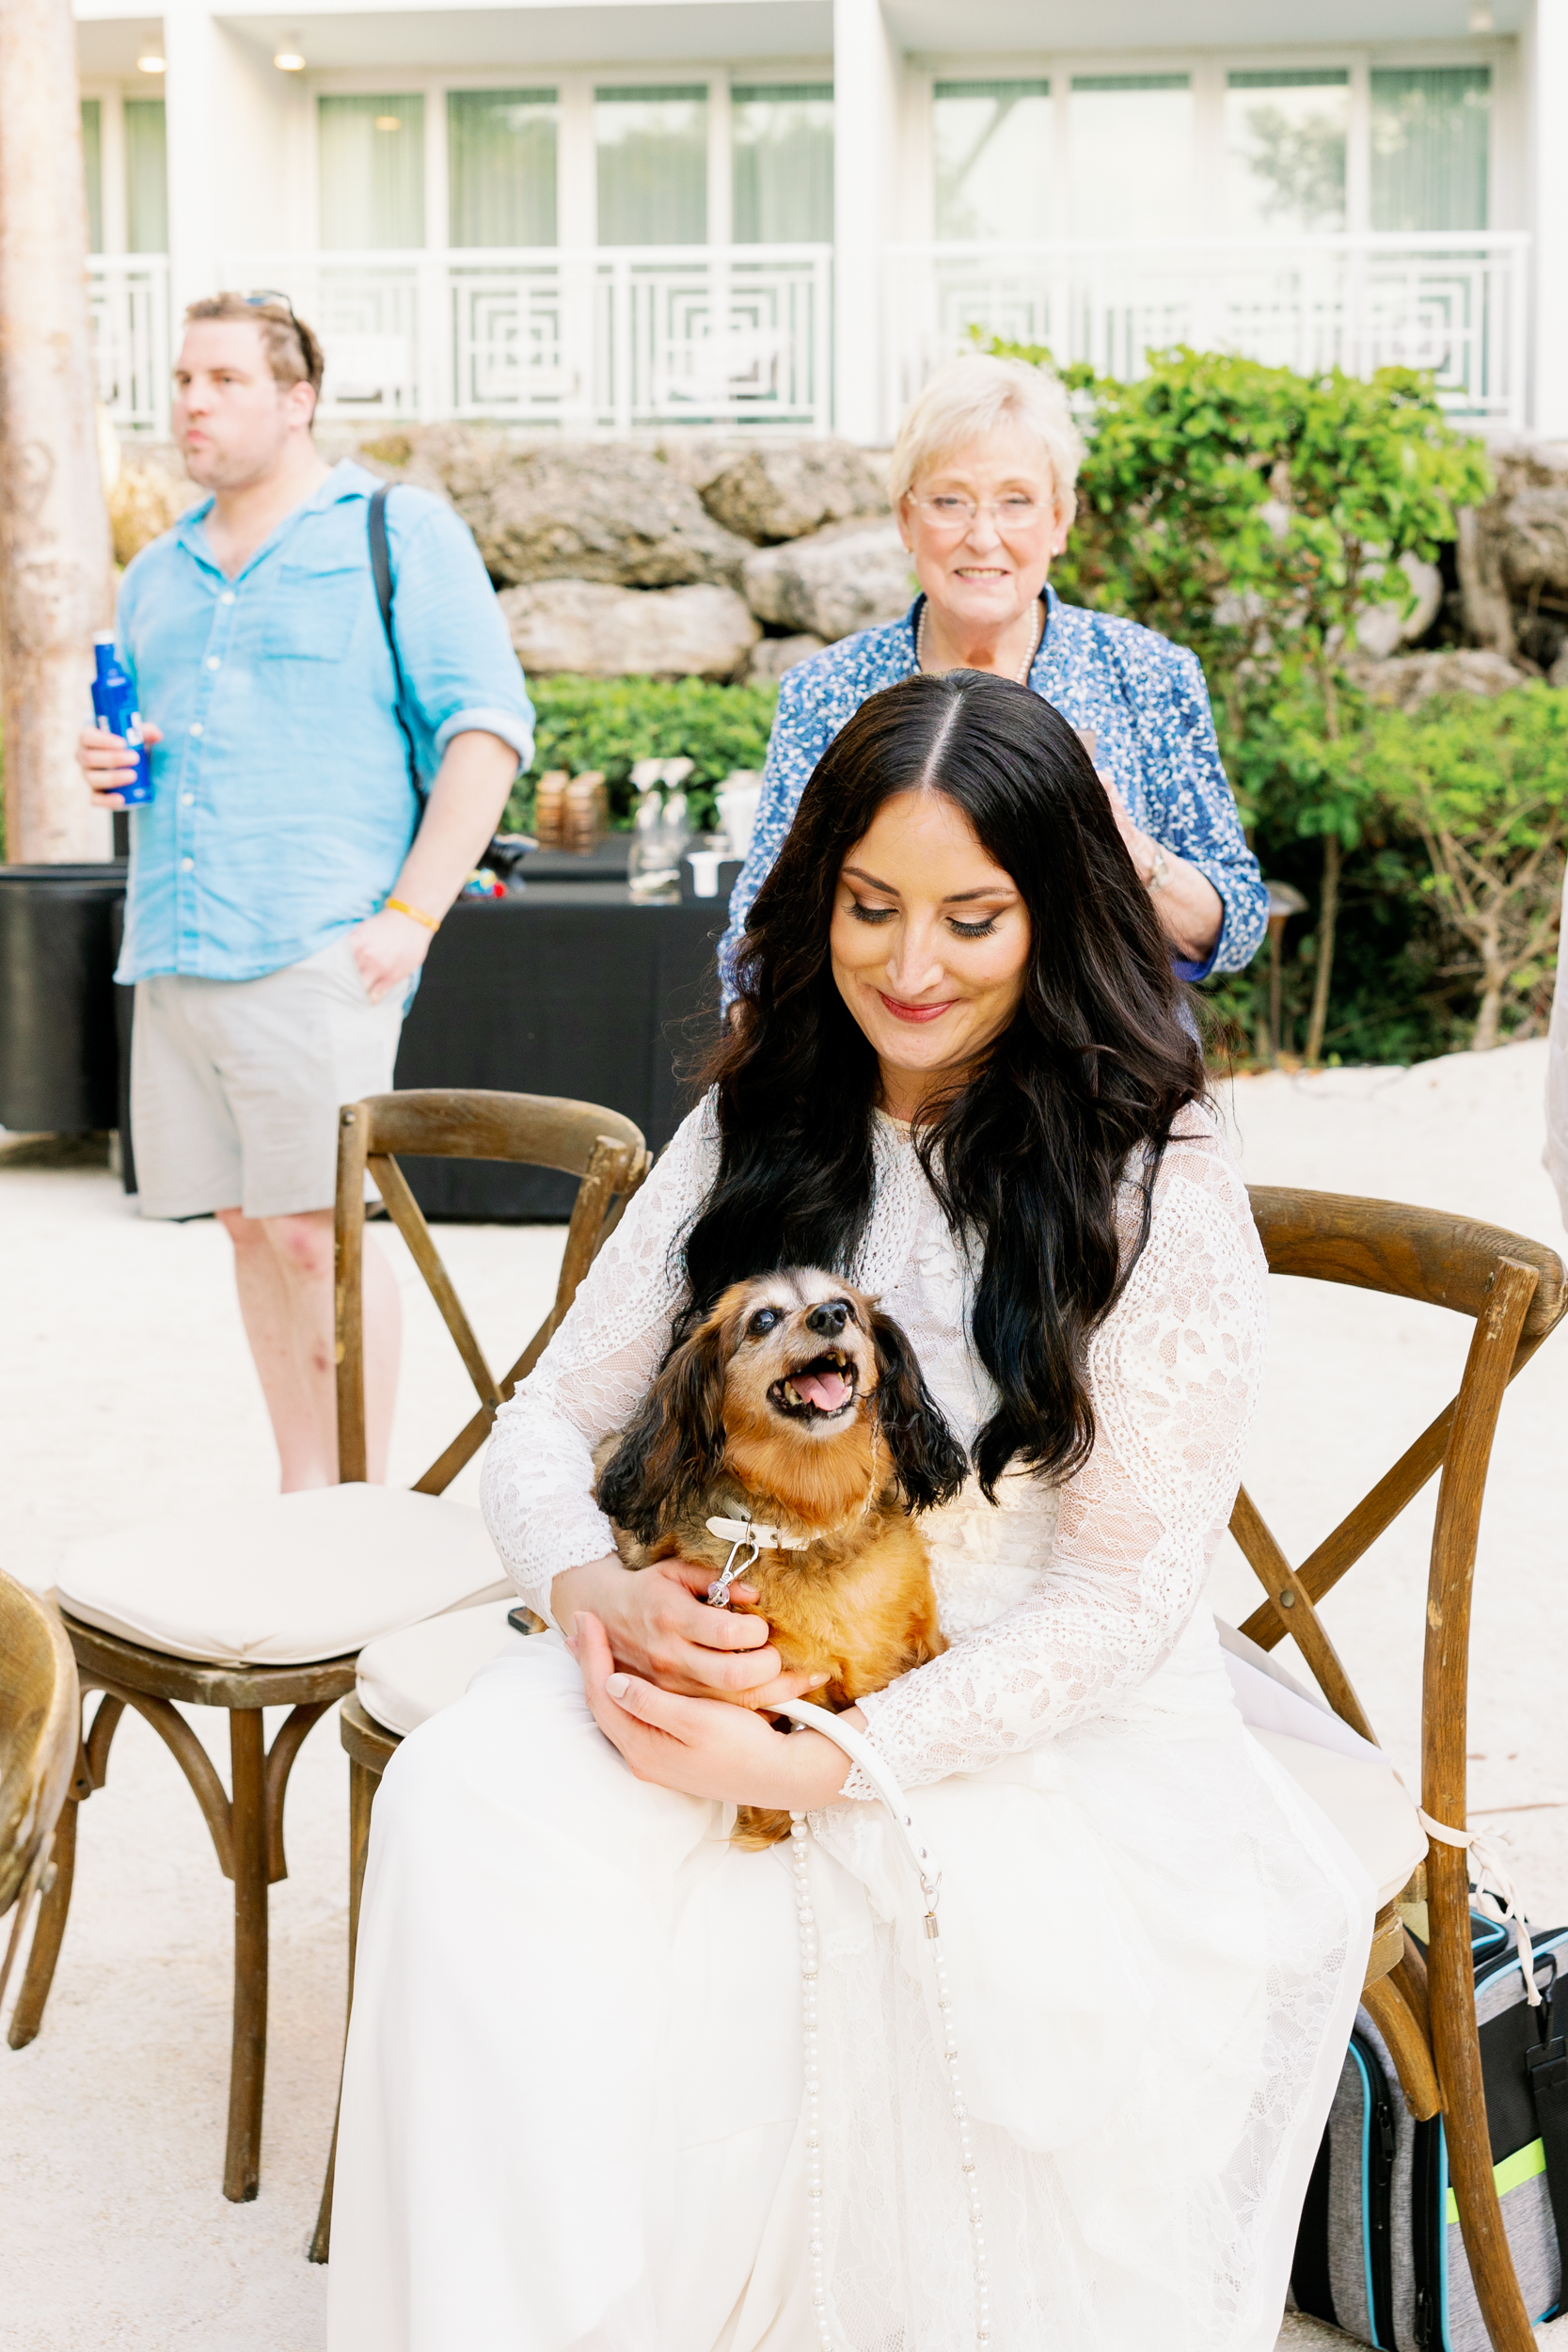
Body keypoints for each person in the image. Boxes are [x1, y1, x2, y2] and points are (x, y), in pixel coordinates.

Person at [326, 672, 1371, 2351]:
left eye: (972, 917)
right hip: (718, 1633)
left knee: (757, 1946)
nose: (907, 966)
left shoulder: (1151, 1173)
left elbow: (1124, 1597)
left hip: (1015, 1700)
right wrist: (592, 1591)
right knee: (464, 1806)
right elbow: (542, 1421)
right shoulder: (763, 1112)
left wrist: (819, 1767)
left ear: (1057, 913)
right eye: (868, 907)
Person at [79, 293, 533, 1489]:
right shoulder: (155, 574)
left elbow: (486, 730)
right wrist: (117, 764)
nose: (190, 401)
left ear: (297, 400)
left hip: (312, 947)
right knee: (243, 1228)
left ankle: (351, 1510)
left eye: (223, 379)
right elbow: (169, 749)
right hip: (175, 947)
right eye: (182, 378)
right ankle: (300, 1495)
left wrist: (407, 919)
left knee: (312, 1233)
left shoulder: (394, 527)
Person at [720, 353, 1266, 997]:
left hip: (1104, 1068)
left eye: (1015, 502)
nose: (982, 536)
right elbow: (758, 934)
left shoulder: (1147, 673)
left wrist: (1135, 855)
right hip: (895, 1051)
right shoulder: (827, 690)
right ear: (905, 520)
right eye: (950, 501)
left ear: (1058, 521)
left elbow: (1233, 927)